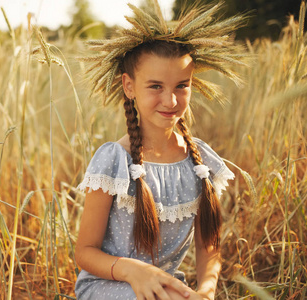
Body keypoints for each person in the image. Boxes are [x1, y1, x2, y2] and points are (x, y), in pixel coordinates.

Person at [74, 2, 248, 300]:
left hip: (163, 289)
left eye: (182, 86)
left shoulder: (200, 162)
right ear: (129, 86)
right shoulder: (114, 160)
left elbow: (209, 248)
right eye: (155, 86)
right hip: (107, 285)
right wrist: (133, 271)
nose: (171, 100)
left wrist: (206, 292)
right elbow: (85, 253)